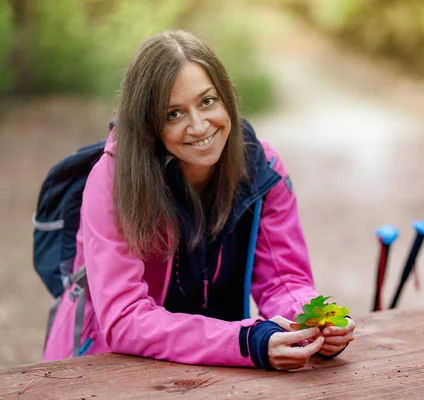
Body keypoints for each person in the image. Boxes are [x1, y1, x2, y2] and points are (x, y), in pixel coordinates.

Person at [43, 30, 355, 370]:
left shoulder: (262, 168)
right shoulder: (113, 183)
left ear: (226, 97)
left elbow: (284, 281)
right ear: (149, 125)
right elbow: (125, 319)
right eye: (173, 114)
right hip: (110, 368)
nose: (198, 126)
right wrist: (245, 342)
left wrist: (313, 321)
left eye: (207, 101)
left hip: (222, 363)